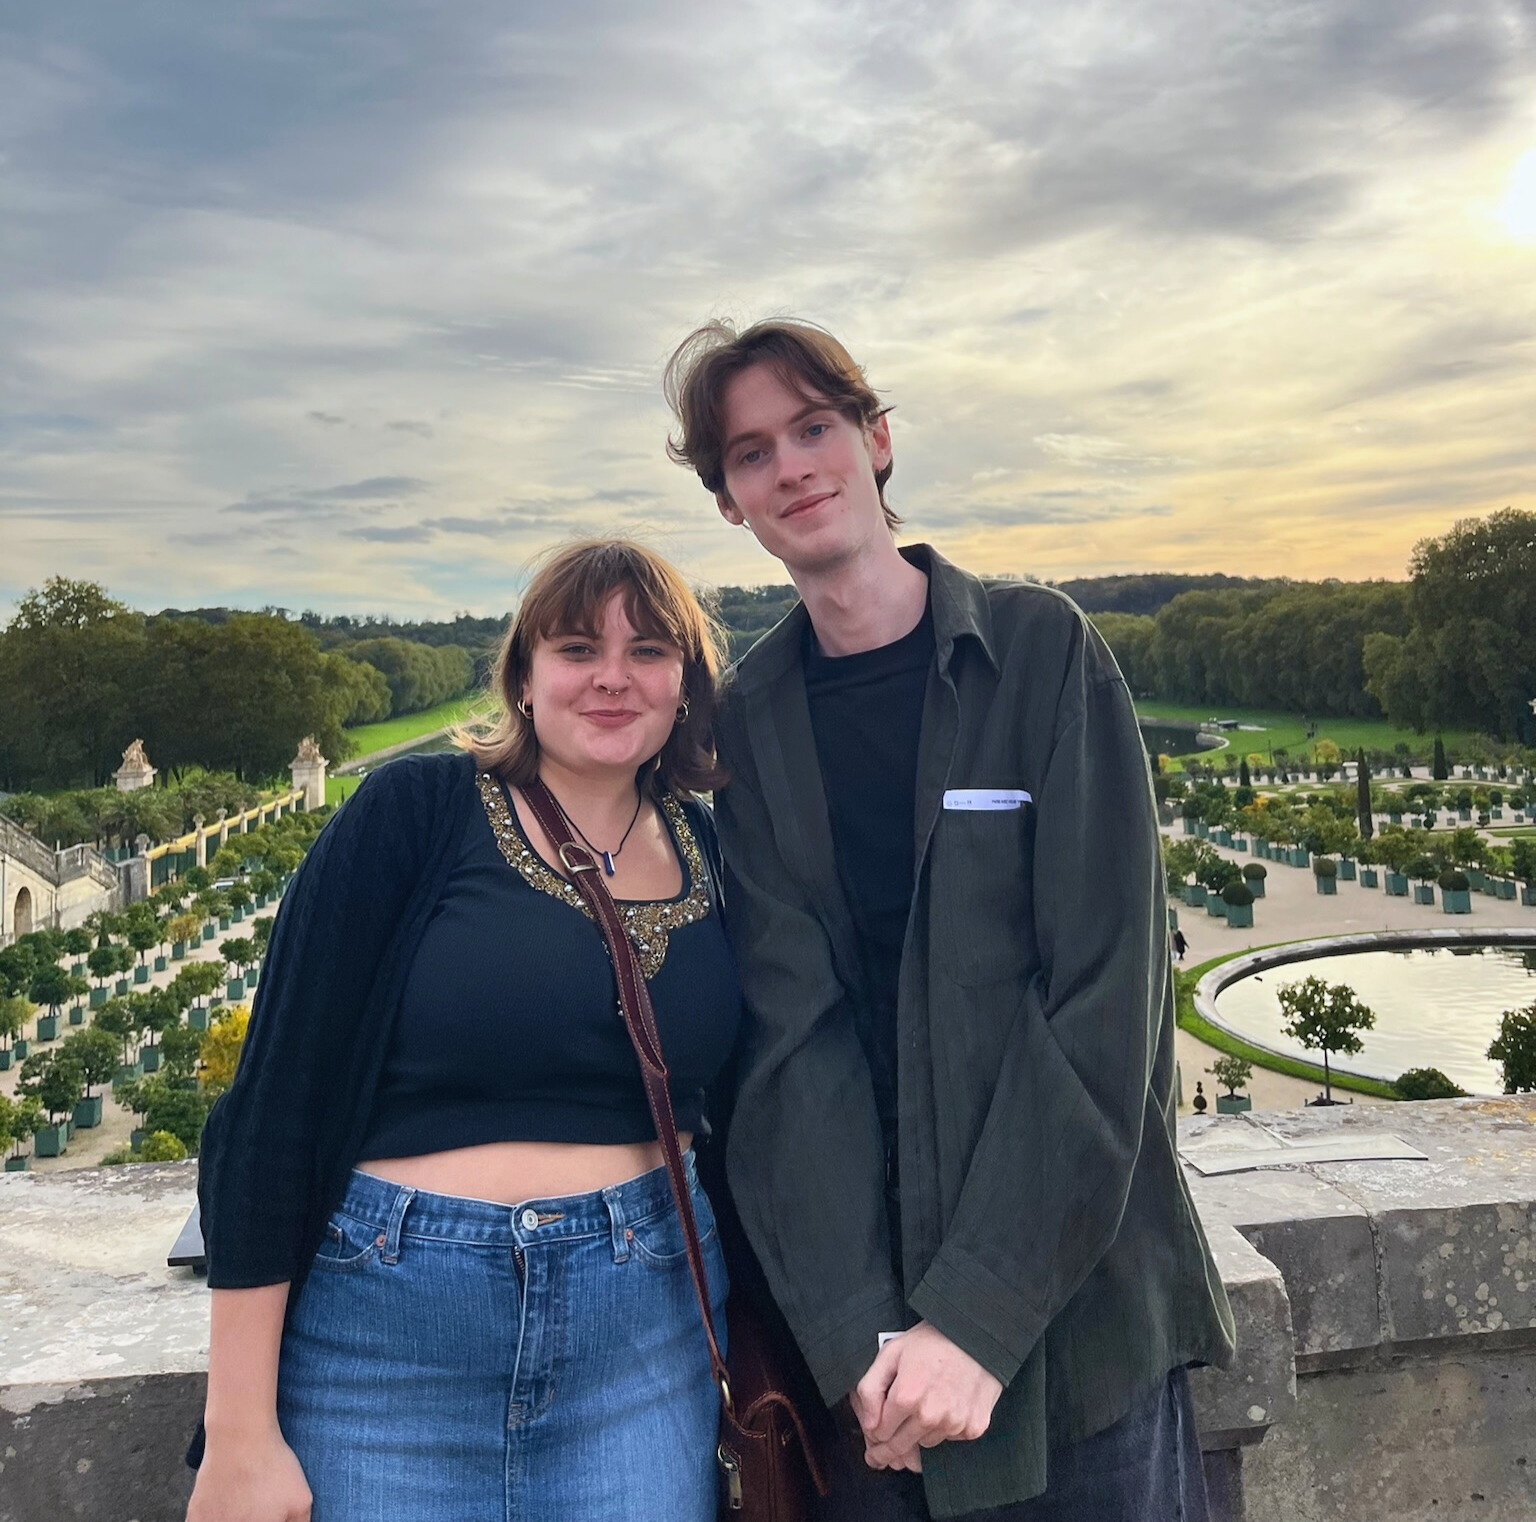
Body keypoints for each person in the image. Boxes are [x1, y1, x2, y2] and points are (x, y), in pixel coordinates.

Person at [663, 320, 1236, 1520]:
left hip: (1072, 1318)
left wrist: (976, 1319)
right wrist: (865, 1342)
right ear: (730, 501)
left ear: (875, 442)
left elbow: (1104, 1005)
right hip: (866, 1368)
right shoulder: (750, 726)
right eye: (753, 452)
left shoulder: (1041, 652)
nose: (794, 467)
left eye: (815, 428)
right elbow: (787, 1048)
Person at [187, 539, 742, 1522]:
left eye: (650, 651)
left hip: (644, 1349)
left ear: (685, 684)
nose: (614, 676)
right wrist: (239, 1431)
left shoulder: (707, 845)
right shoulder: (417, 811)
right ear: (525, 678)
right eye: (578, 648)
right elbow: (272, 1106)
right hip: (386, 1348)